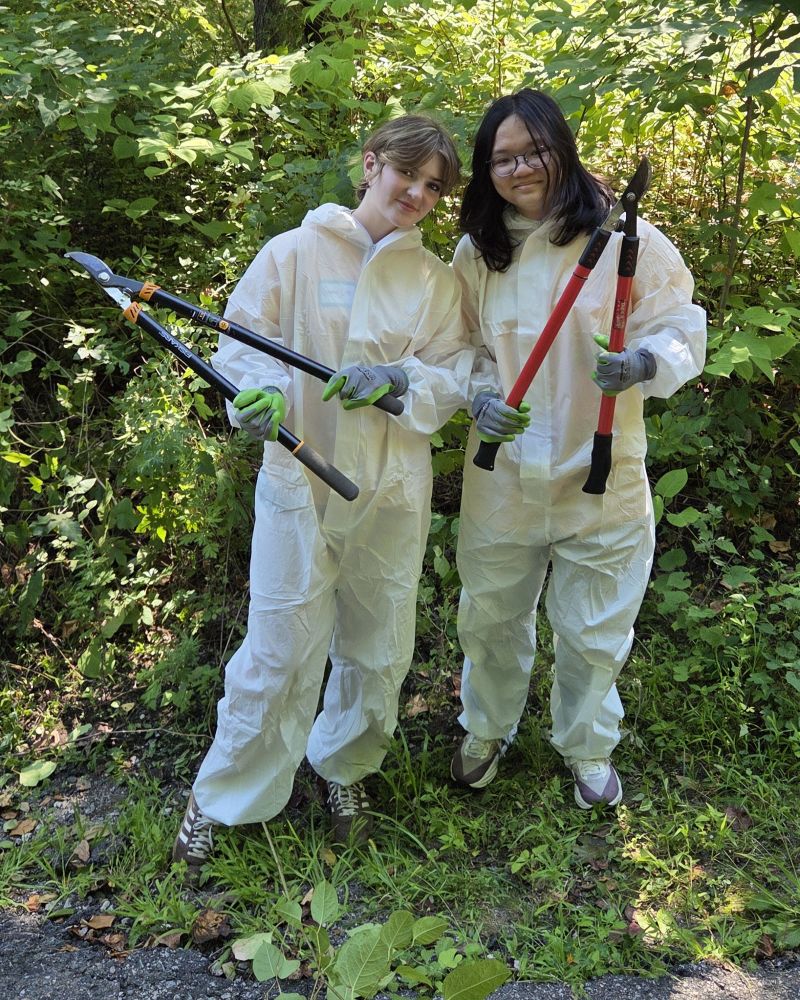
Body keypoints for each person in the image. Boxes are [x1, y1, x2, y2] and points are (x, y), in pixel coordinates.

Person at [173, 115, 473, 869]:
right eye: (408, 173)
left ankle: (343, 769)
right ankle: (221, 797)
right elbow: (243, 344)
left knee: (378, 647)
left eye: (435, 186)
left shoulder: (434, 281)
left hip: (392, 489)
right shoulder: (293, 253)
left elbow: (458, 371)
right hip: (299, 480)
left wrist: (401, 379)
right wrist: (260, 394)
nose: (418, 193)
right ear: (370, 165)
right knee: (277, 648)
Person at [449, 89, 706, 809]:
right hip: (502, 467)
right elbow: (458, 347)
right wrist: (479, 396)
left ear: (561, 150)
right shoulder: (478, 252)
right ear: (485, 168)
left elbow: (679, 321)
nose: (520, 168)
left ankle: (587, 746)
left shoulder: (628, 239)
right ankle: (486, 728)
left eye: (534, 151)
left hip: (603, 463)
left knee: (596, 623)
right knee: (491, 611)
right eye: (503, 158)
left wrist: (647, 363)